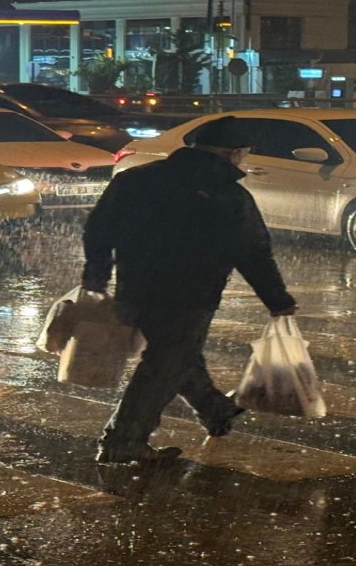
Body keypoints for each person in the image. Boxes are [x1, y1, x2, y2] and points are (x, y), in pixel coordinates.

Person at [82, 115, 298, 463]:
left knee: (178, 356)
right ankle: (123, 441)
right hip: (190, 294)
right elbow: (254, 253)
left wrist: (97, 272)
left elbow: (98, 230)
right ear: (232, 153)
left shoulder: (134, 180)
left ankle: (215, 409)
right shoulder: (227, 194)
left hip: (134, 286)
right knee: (165, 363)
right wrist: (277, 300)